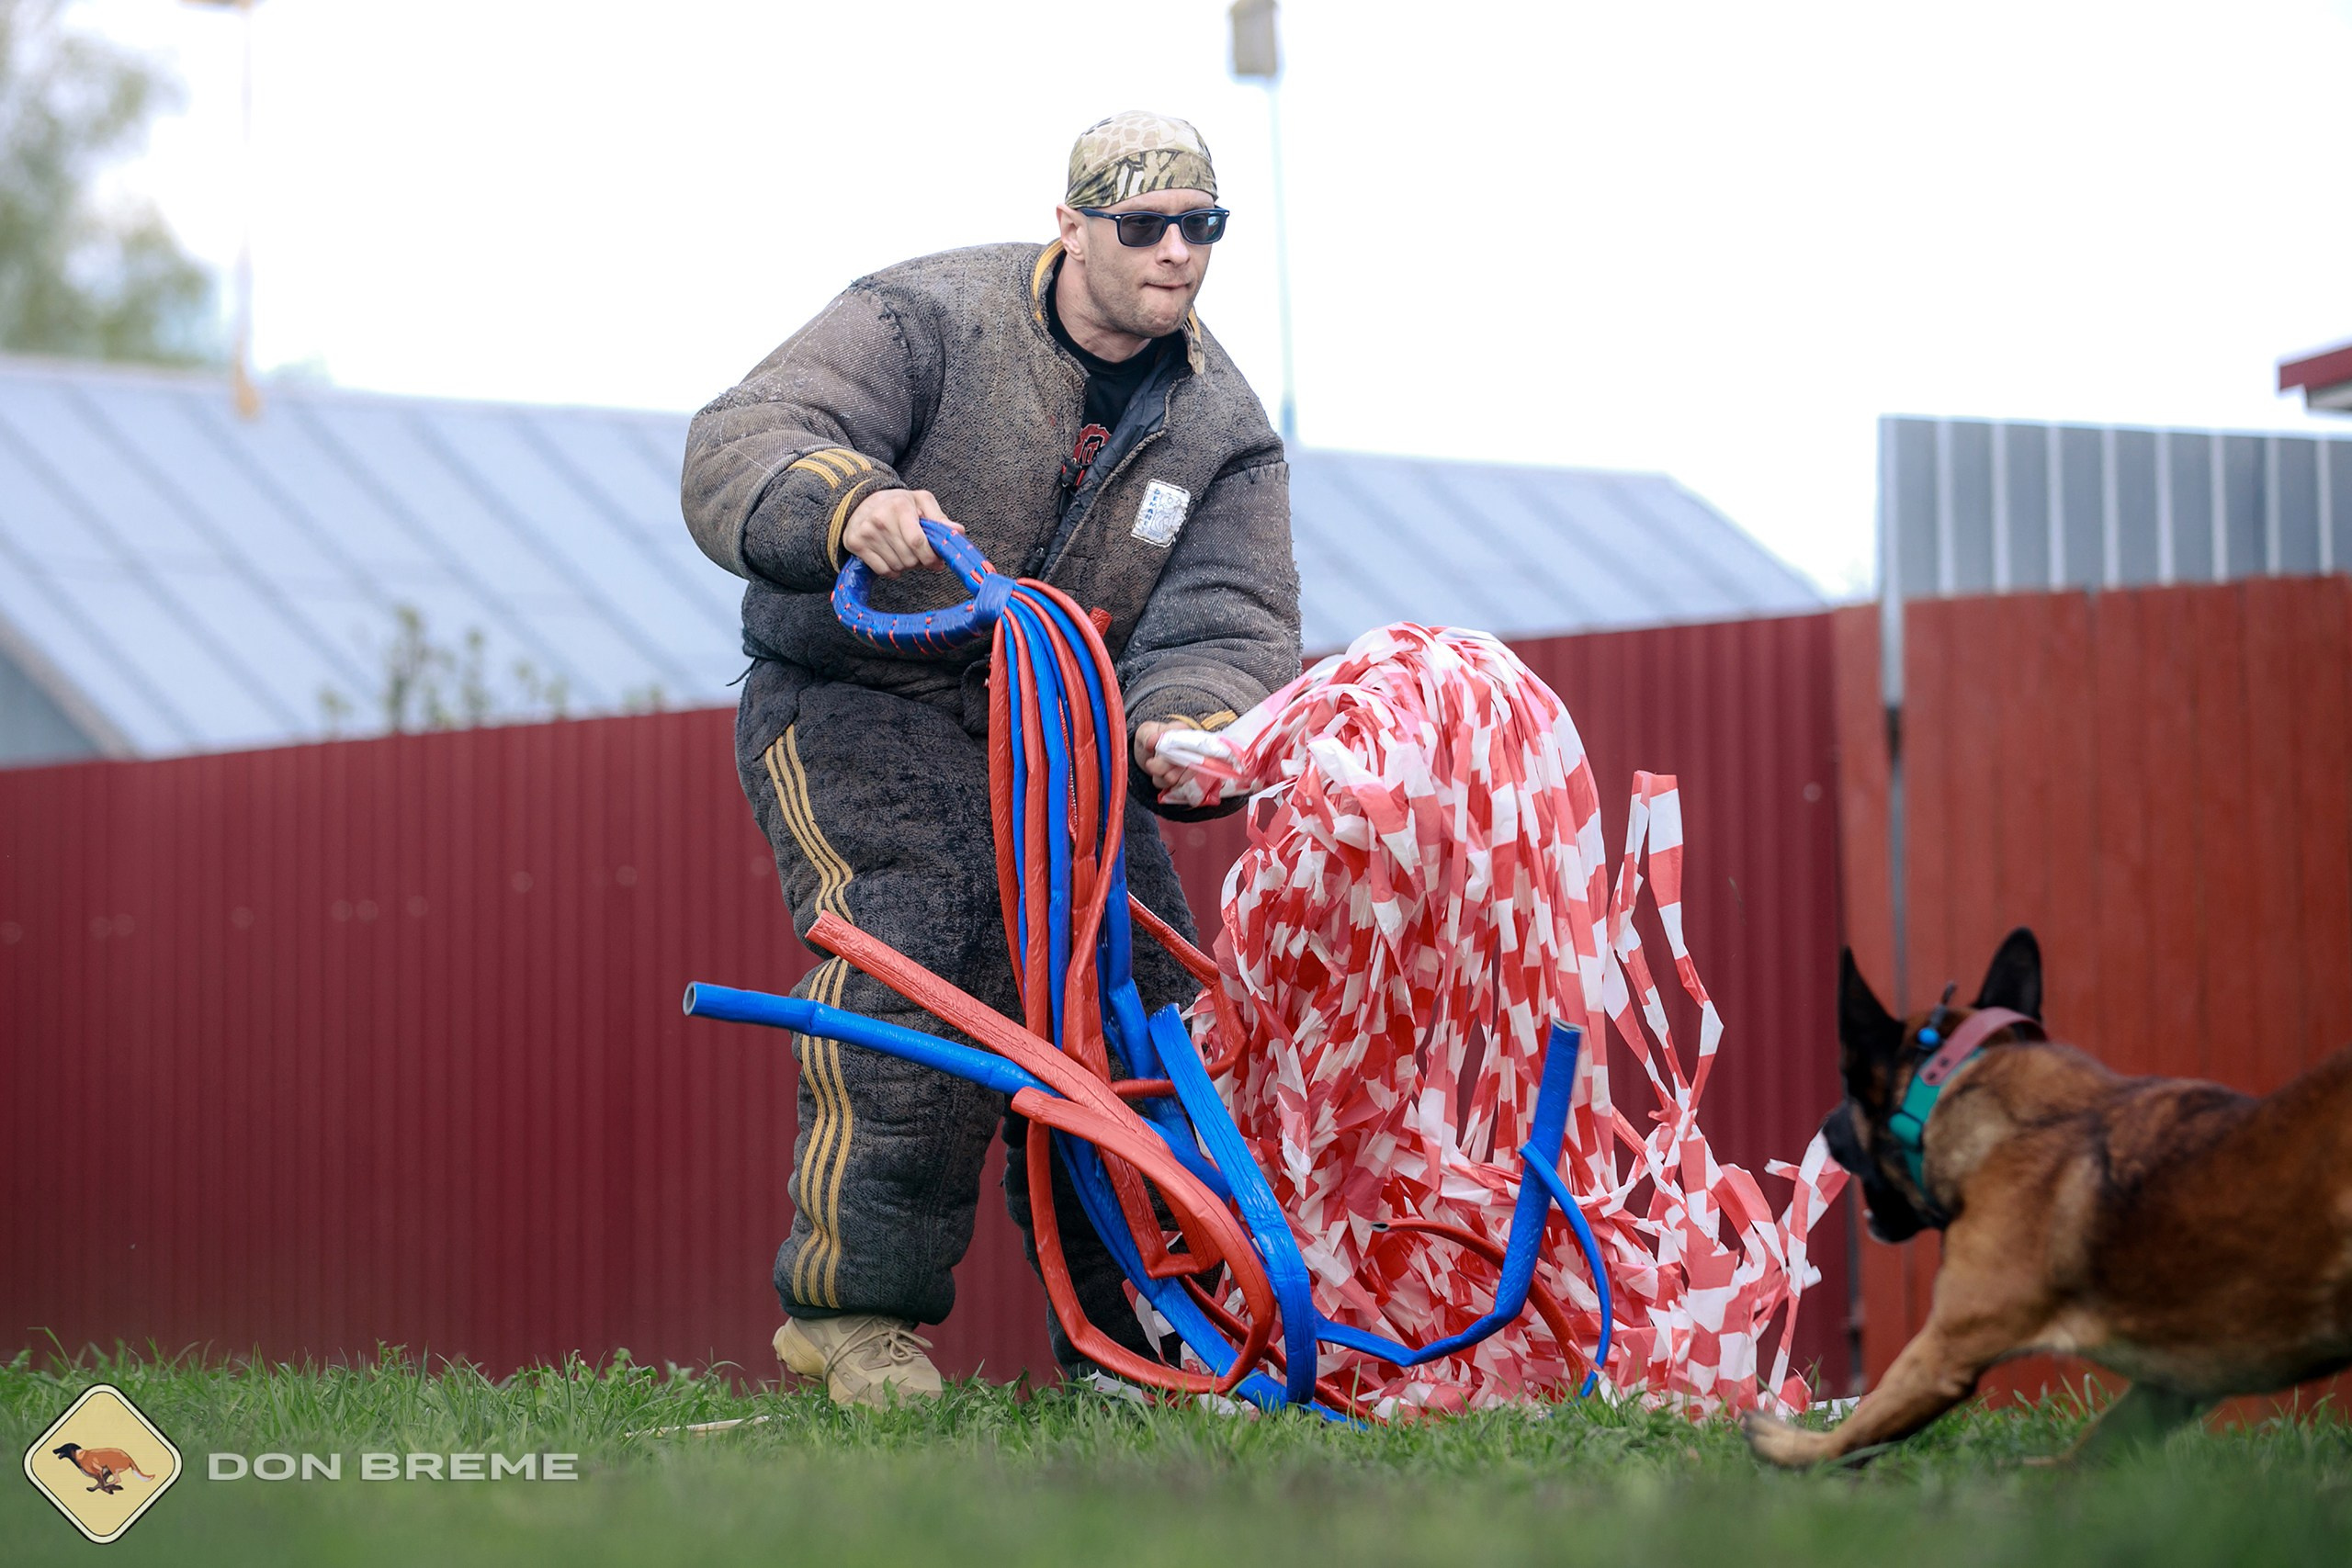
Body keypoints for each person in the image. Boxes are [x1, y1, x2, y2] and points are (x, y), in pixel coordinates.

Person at [680, 111, 1301, 1405]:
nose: (1177, 253)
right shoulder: (924, 318)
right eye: (1144, 228)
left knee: (1140, 1005)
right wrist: (848, 502)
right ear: (1071, 227)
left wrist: (1181, 720)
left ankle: (1147, 1340)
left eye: (1202, 228)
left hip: (1060, 733)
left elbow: (1226, 619)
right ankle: (852, 1317)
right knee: (932, 938)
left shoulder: (1225, 425)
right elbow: (744, 436)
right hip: (855, 696)